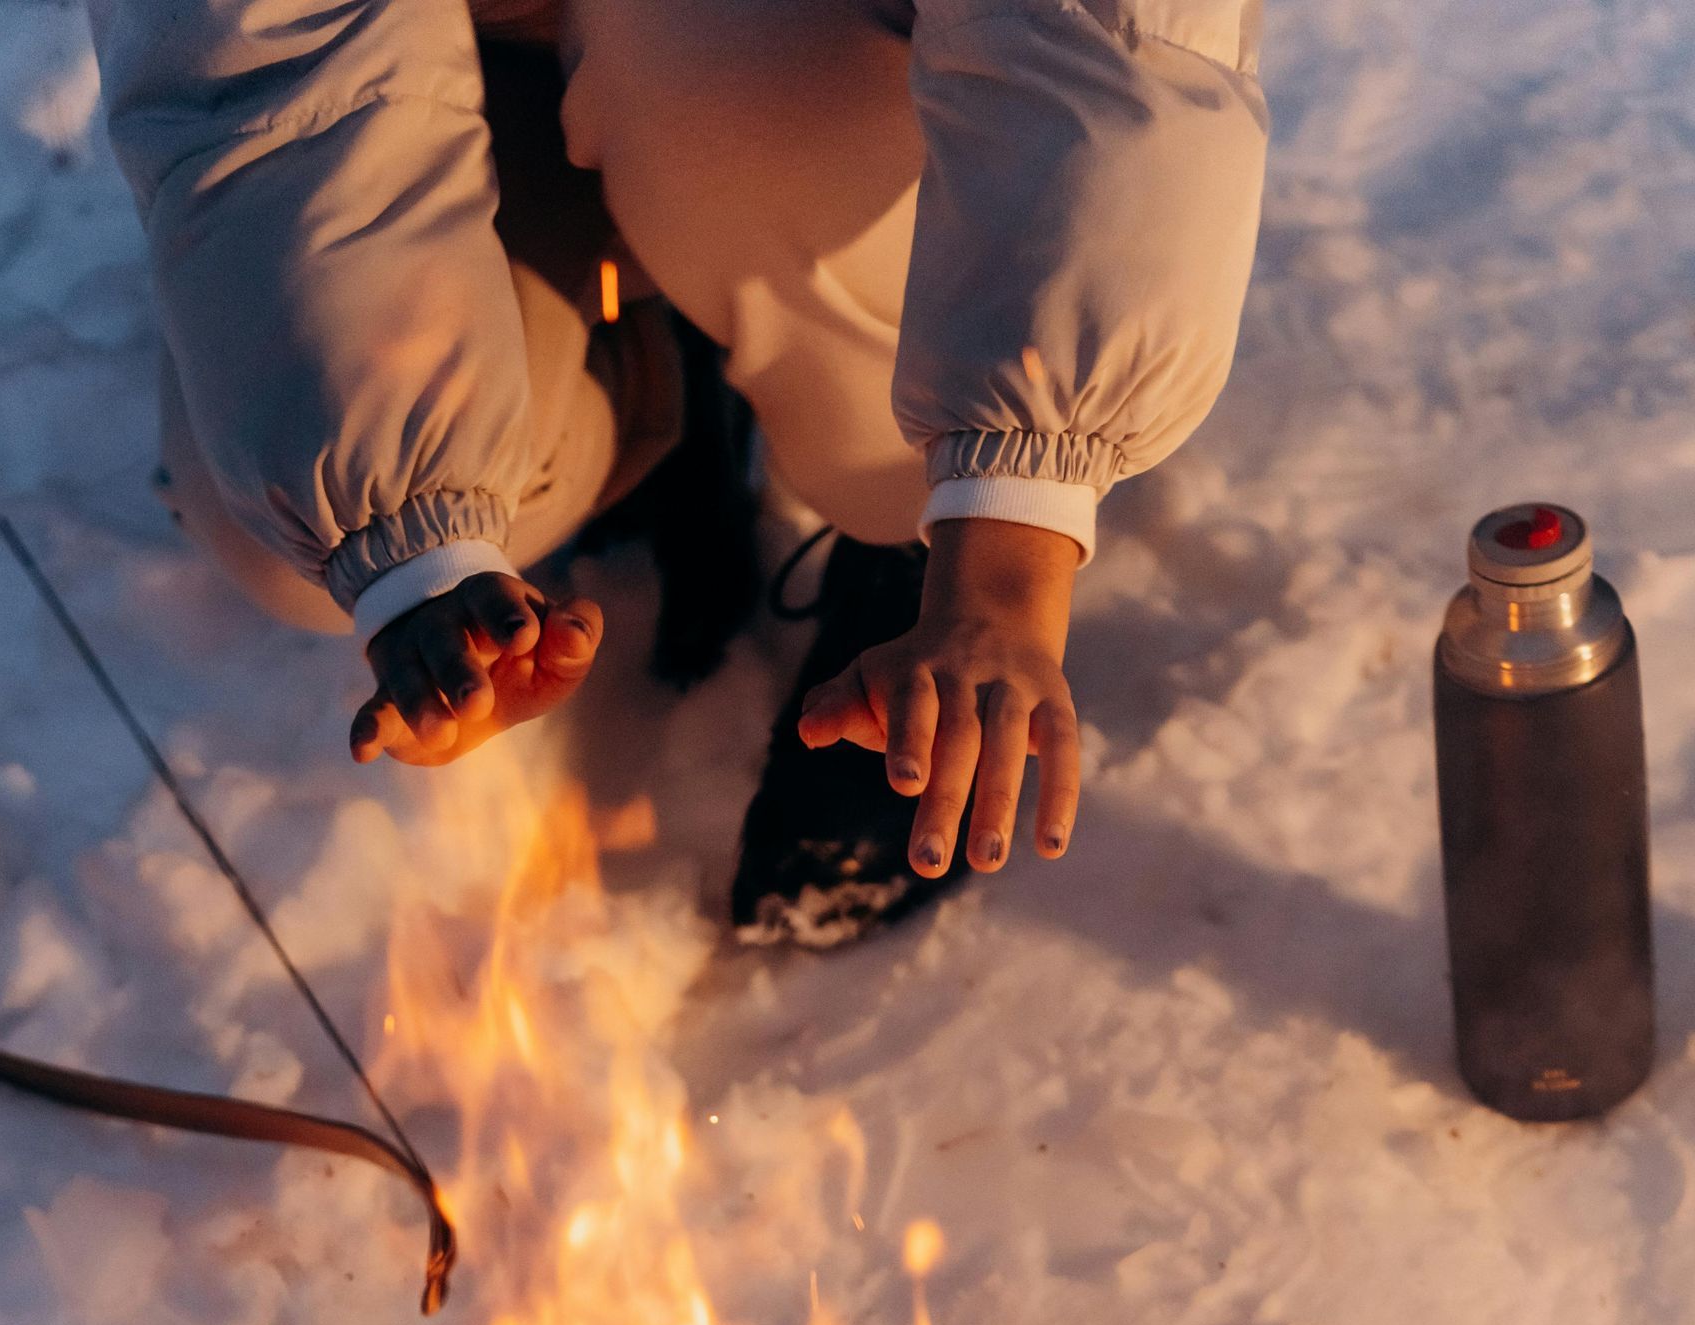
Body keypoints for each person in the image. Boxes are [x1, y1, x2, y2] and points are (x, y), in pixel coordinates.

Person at [90, 0, 1269, 942]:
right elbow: (273, 73)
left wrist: (1011, 532)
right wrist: (411, 537)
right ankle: (643, 369)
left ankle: (906, 526)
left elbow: (1106, 46)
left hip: (809, 75)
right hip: (479, 76)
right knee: (292, 542)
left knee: (719, 87)